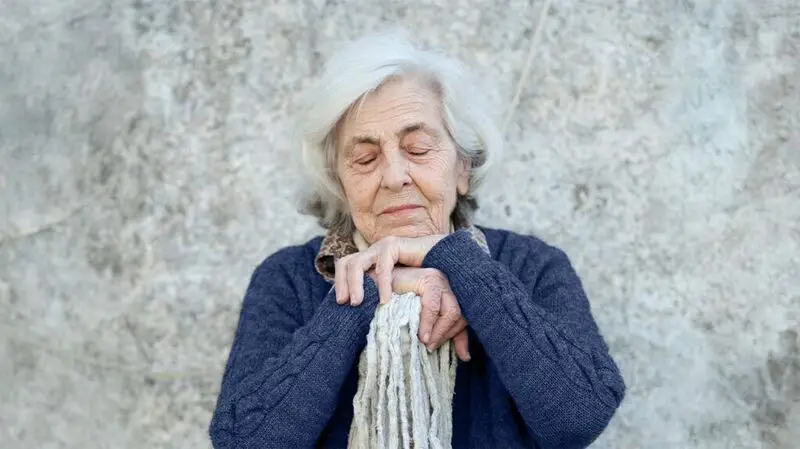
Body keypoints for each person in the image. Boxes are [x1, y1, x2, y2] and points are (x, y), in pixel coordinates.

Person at [208, 30, 625, 449]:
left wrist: (461, 268)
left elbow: (580, 416)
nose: (394, 177)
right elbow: (243, 441)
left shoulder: (533, 266)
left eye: (419, 149)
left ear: (462, 167)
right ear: (340, 185)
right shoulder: (287, 279)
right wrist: (372, 288)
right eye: (366, 158)